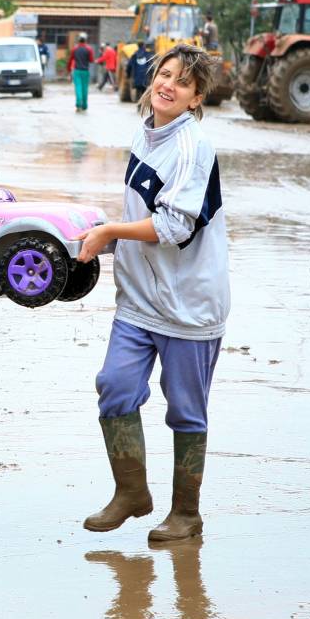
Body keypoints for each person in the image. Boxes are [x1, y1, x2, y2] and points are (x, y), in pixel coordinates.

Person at [73, 43, 230, 544]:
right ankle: (132, 493)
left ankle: (186, 513)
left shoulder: (192, 147)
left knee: (186, 410)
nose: (168, 85)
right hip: (139, 300)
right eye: (164, 74)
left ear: (196, 97)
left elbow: (174, 225)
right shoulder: (148, 134)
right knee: (115, 386)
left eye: (182, 82)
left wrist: (111, 232)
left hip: (188, 304)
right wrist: (101, 226)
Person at [68, 33, 95, 112]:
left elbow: (70, 60)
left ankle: (78, 104)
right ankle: (84, 106)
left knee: (78, 87)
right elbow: (91, 60)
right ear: (86, 40)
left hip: (77, 71)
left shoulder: (75, 49)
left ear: (78, 39)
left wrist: (69, 69)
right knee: (85, 88)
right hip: (85, 71)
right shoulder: (89, 49)